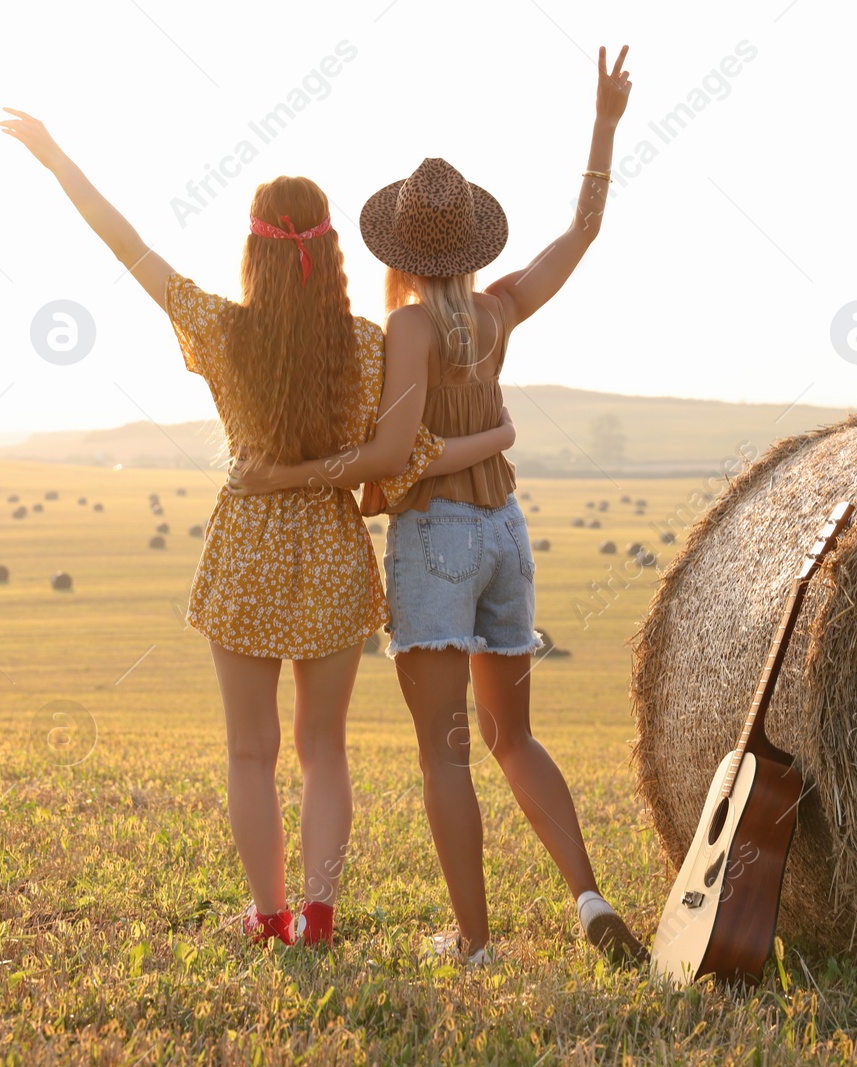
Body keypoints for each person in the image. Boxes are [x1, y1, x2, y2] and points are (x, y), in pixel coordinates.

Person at [0, 109, 513, 947]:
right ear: (335, 252)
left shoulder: (220, 329)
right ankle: (317, 914)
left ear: (254, 251)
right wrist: (497, 436)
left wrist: (58, 160)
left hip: (246, 554)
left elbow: (126, 246)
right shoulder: (368, 343)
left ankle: (268, 915)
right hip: (333, 558)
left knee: (250, 751)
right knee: (324, 749)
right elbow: (406, 455)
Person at [226, 46, 645, 964]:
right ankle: (588, 897)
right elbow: (582, 232)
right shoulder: (500, 310)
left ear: (399, 250)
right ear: (473, 247)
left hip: (440, 541)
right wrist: (604, 126)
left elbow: (389, 456)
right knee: (514, 736)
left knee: (446, 752)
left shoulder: (407, 327)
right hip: (507, 535)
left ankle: (475, 939)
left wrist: (300, 478)